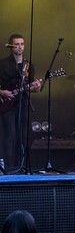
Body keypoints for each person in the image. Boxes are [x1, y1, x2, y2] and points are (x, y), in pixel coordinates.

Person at [0, 34, 41, 173]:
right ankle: (9, 167)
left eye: (22, 44)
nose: (20, 47)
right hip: (6, 104)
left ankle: (21, 166)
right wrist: (2, 92)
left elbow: (30, 88)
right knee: (10, 134)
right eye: (16, 44)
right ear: (11, 46)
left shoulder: (28, 66)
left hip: (22, 103)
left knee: (23, 135)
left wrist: (36, 87)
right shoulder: (3, 64)